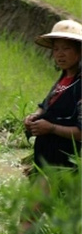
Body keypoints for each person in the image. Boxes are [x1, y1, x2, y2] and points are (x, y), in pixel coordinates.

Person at [24, 19, 81, 172]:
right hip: (48, 162)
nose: (60, 54)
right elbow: (46, 106)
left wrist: (51, 128)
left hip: (67, 168)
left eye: (66, 48)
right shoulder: (63, 79)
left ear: (79, 51)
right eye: (56, 49)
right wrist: (34, 117)